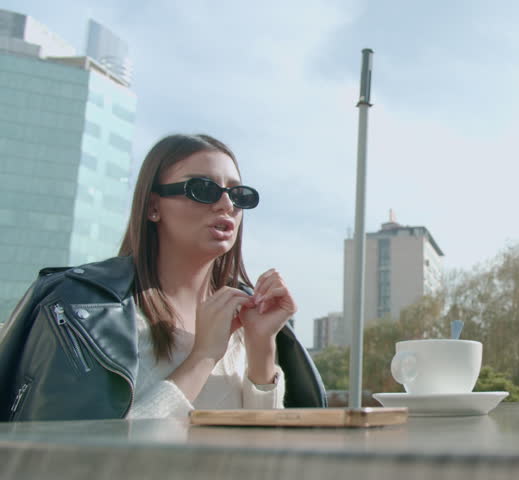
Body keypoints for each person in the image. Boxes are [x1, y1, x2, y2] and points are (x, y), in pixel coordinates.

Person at [0, 134, 325, 421]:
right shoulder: (83, 308)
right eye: (203, 189)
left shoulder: (246, 315)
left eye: (238, 195)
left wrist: (261, 345)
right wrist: (203, 356)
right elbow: (90, 455)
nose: (226, 204)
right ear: (153, 206)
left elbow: (263, 448)